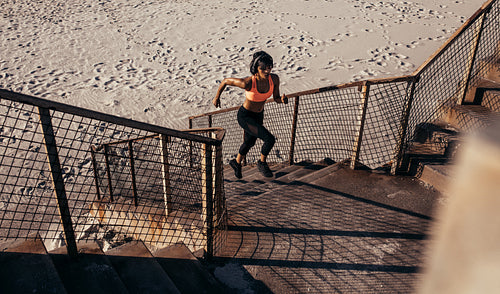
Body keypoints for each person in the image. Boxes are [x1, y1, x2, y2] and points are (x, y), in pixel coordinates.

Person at [212, 51, 288, 178]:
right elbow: (225, 81)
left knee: (249, 142)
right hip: (245, 116)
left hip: (259, 115)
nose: (267, 70)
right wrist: (217, 97)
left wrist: (282, 100)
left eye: (269, 67)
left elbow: (276, 98)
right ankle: (262, 162)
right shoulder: (248, 82)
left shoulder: (274, 79)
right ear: (256, 69)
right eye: (263, 68)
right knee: (269, 139)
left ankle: (236, 163)